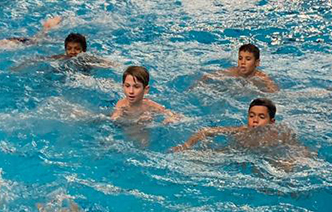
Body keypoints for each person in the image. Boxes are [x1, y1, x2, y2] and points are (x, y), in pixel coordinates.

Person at [172, 98, 311, 169]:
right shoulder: (241, 131)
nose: (255, 121)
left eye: (261, 117)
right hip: (238, 154)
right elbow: (205, 131)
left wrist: (297, 160)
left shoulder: (281, 133)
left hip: (267, 157)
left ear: (272, 121)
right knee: (193, 159)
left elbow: (298, 149)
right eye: (251, 116)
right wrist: (185, 145)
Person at [194, 44, 279, 93]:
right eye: (240, 58)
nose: (243, 62)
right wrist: (196, 86)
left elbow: (275, 93)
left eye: (248, 59)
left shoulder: (262, 78)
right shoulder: (233, 72)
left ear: (257, 63)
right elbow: (207, 76)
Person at [111, 66, 179, 124]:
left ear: (146, 89)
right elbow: (115, 119)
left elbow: (173, 115)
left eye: (136, 87)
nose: (131, 91)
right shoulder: (122, 105)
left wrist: (169, 119)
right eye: (127, 86)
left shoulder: (149, 105)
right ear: (123, 87)